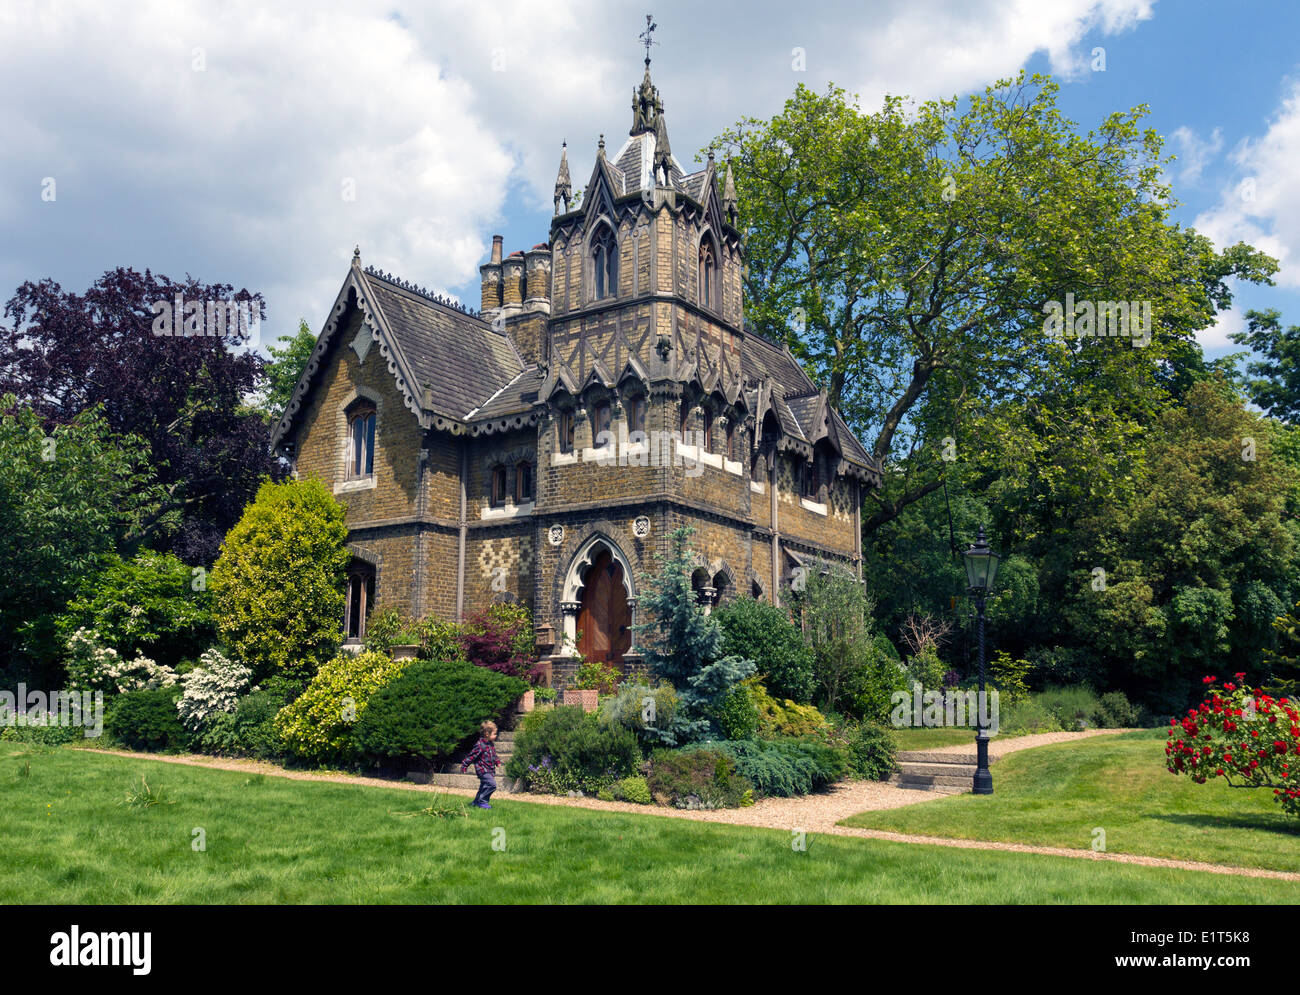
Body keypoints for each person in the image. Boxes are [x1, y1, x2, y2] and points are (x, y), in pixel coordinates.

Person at [460, 720, 501, 809]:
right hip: (482, 770)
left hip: (490, 770)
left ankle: (476, 802)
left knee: (483, 787)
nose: (496, 736)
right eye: (494, 734)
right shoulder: (480, 745)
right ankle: (483, 802)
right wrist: (464, 765)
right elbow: (471, 756)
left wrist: (497, 761)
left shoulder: (490, 744)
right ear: (487, 734)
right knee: (492, 785)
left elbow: (493, 754)